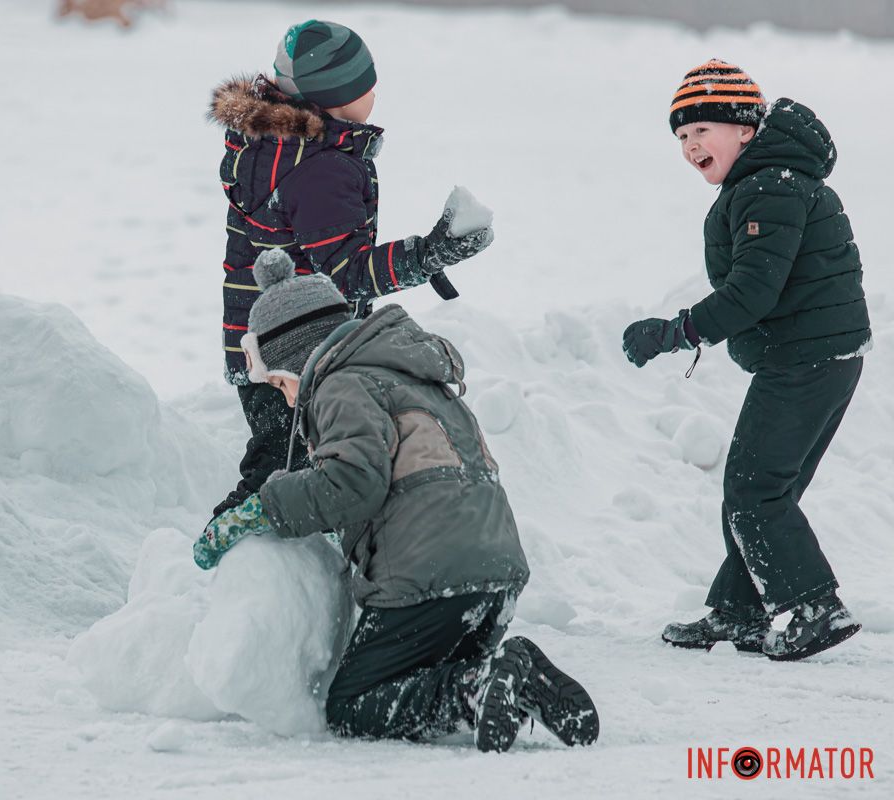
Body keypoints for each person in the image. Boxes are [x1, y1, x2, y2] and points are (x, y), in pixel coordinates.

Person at [193, 249, 599, 753]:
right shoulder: (406, 373)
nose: (286, 398)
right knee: (428, 670)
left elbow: (352, 481)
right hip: (493, 569)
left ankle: (475, 690)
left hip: (432, 573)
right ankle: (509, 675)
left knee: (353, 705)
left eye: (280, 383)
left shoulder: (340, 385)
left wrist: (263, 507)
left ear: (300, 360)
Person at [622, 60, 871, 661]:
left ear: (744, 127)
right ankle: (740, 611)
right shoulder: (773, 182)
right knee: (762, 489)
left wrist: (674, 331)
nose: (691, 146)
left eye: (702, 129)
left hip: (804, 359)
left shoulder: (771, 187)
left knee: (754, 490)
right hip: (822, 355)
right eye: (682, 137)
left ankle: (813, 606)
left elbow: (752, 292)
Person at [207, 19, 493, 522]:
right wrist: (430, 253)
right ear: (334, 102)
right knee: (282, 465)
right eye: (366, 87)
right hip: (297, 350)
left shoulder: (273, 143)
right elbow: (348, 273)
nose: (375, 94)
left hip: (256, 338)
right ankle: (237, 540)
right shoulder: (320, 167)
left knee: (291, 452)